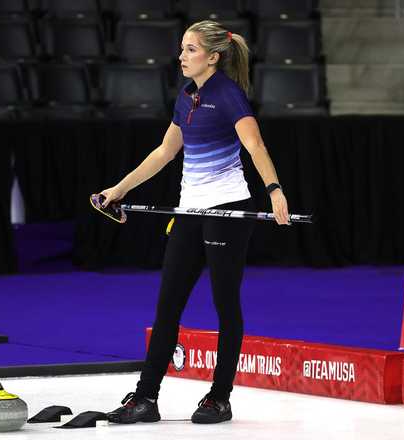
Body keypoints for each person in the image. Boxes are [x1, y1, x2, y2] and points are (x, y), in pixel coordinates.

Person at [97, 20, 290, 424]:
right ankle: (145, 398)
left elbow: (255, 146)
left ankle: (220, 397)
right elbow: (165, 152)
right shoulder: (187, 96)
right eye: (182, 49)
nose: (181, 57)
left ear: (213, 57)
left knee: (225, 304)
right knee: (167, 306)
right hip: (189, 211)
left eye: (190, 50)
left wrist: (274, 191)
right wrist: (119, 189)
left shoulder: (229, 95)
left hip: (227, 211)